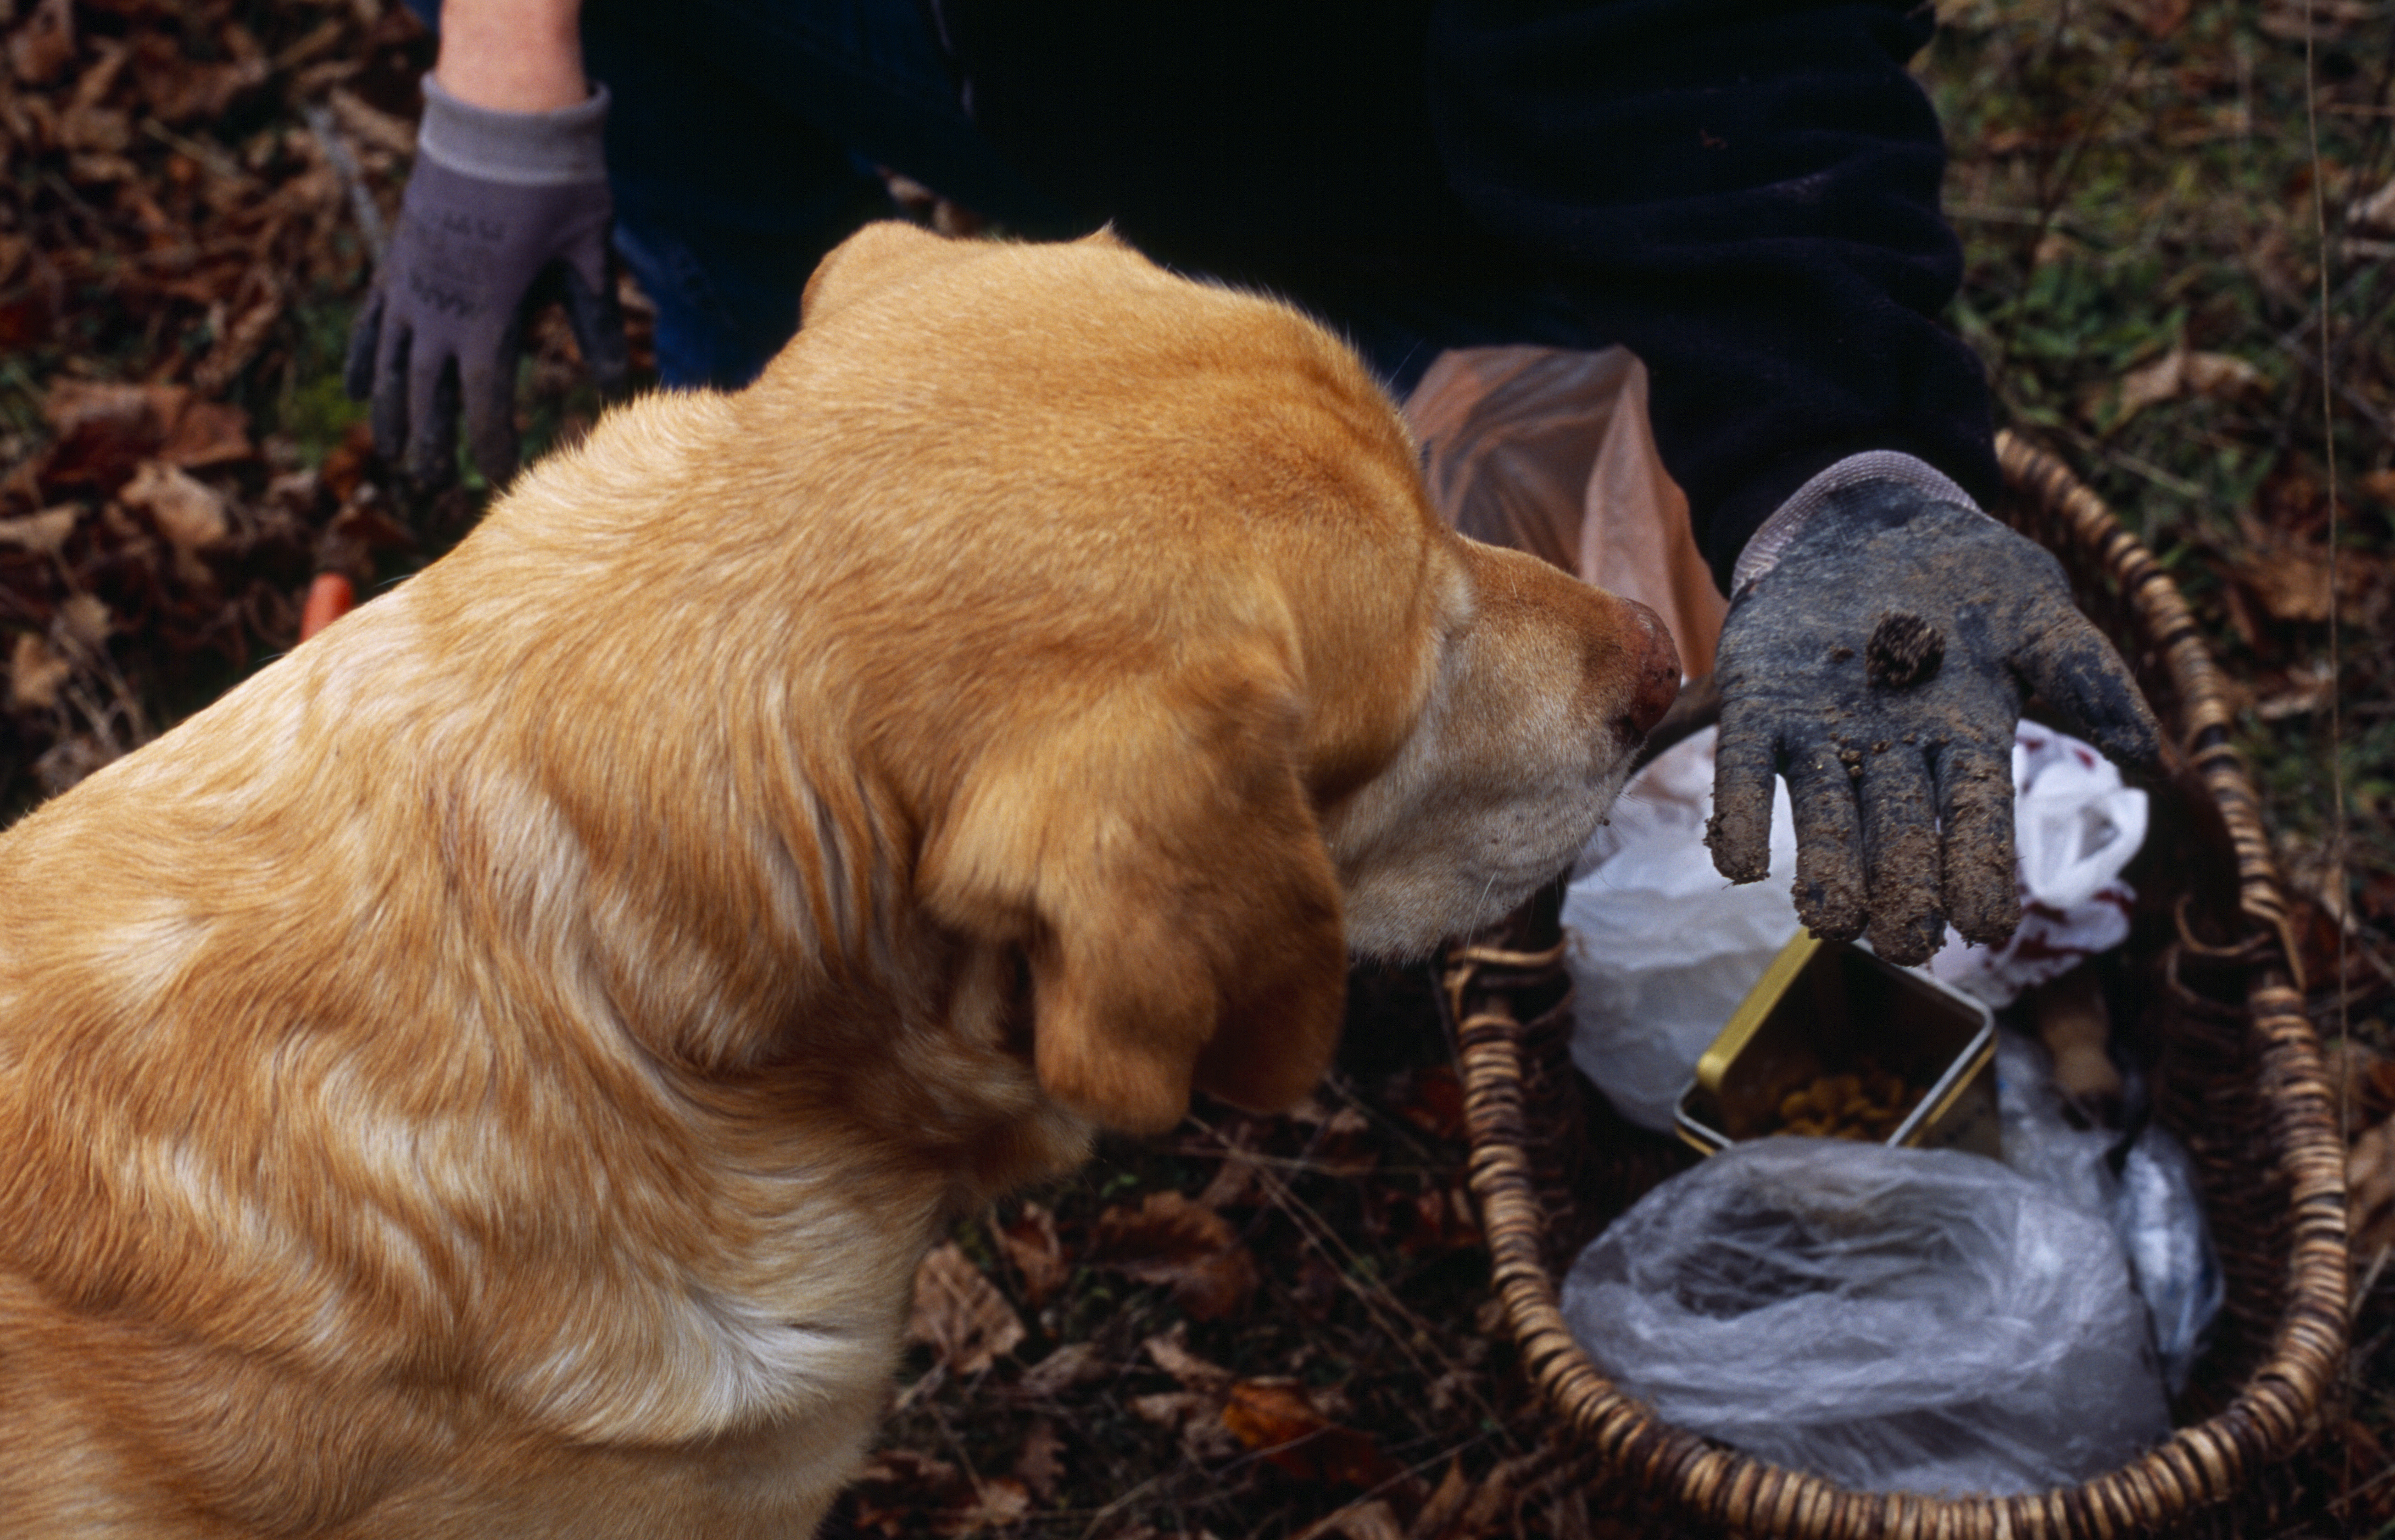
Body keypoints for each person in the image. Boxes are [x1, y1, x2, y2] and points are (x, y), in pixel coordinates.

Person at [347, 0, 2161, 966]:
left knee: (1408, 613)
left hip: (1412, 144)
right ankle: (784, 630)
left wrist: (1838, 464)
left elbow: (1704, 54)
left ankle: (1381, 353)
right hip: (1029, 56)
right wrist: (506, 75)